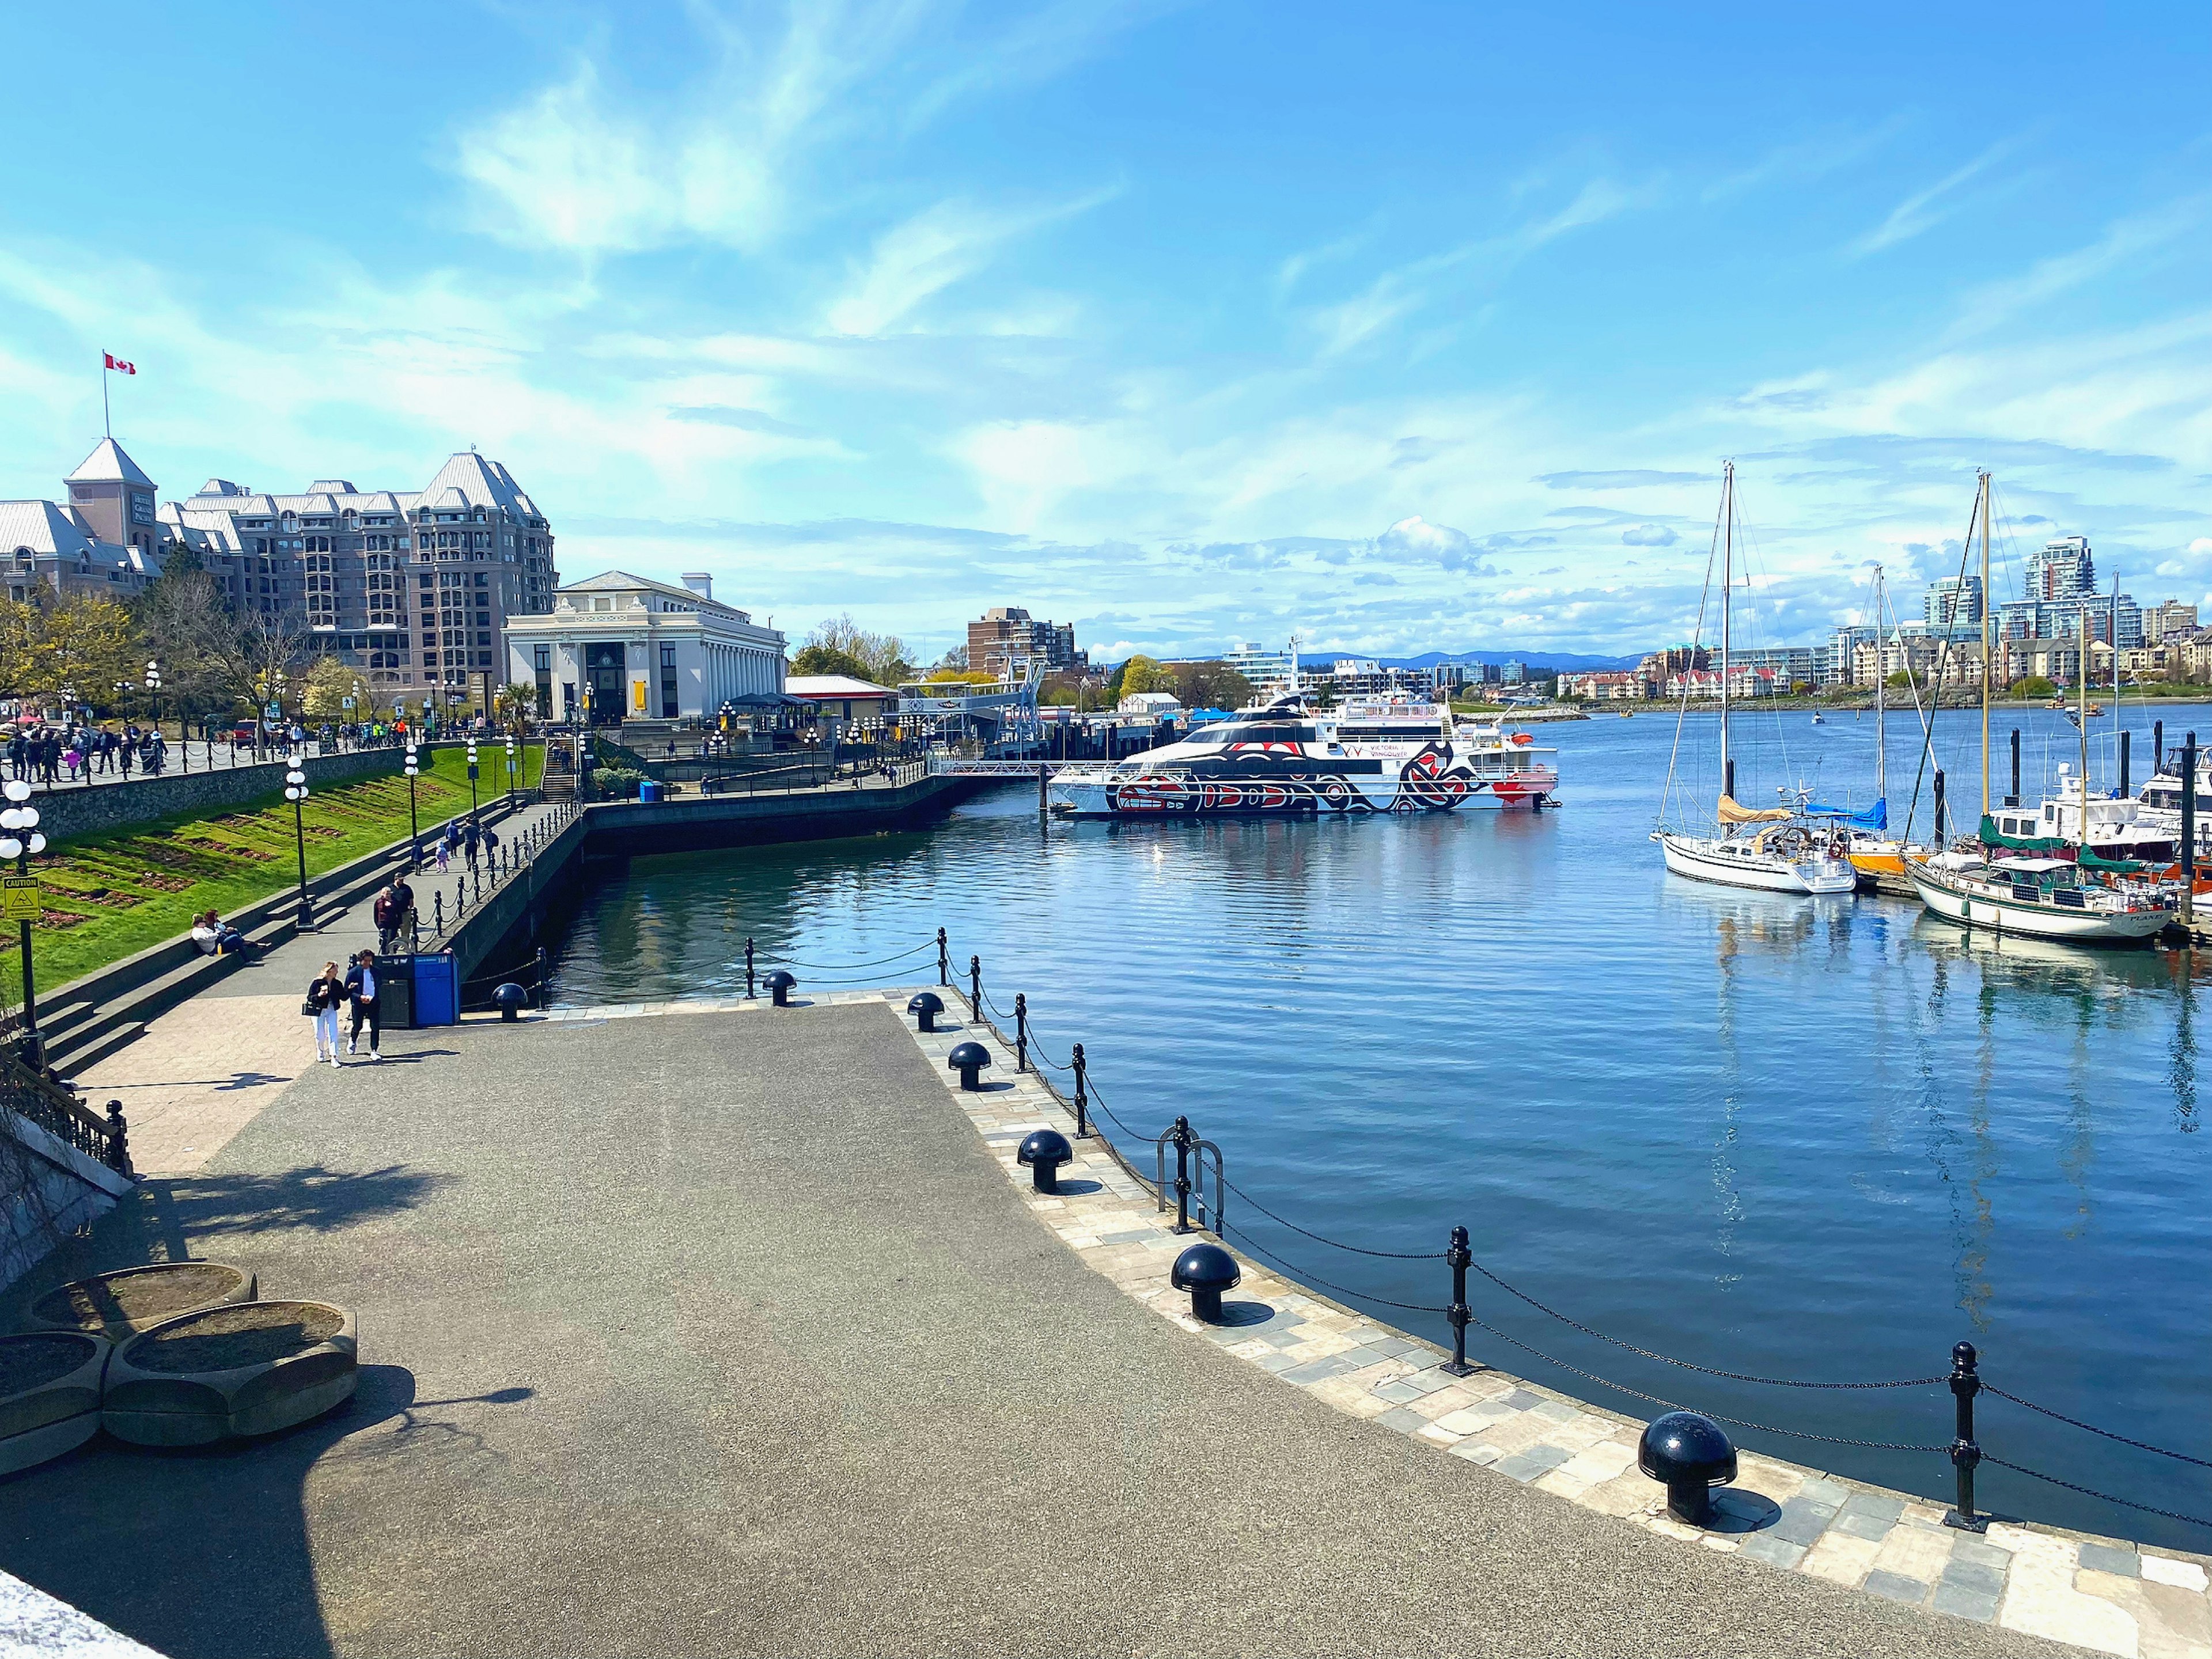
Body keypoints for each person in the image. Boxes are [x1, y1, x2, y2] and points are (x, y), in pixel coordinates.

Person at [343, 949, 382, 1060]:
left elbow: (379, 984)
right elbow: (347, 990)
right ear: (361, 960)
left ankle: (374, 1050)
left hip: (373, 1002)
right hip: (359, 1003)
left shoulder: (376, 971)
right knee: (358, 1025)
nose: (367, 963)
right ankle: (353, 1039)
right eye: (365, 961)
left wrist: (373, 997)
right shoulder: (353, 973)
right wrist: (360, 997)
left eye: (370, 961)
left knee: (375, 1026)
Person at [306, 960, 345, 1066]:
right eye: (335, 970)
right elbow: (310, 997)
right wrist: (319, 995)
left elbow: (344, 997)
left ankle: (334, 1057)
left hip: (331, 1009)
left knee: (333, 1032)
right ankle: (321, 1051)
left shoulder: (337, 984)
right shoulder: (317, 983)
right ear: (329, 971)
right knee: (320, 1034)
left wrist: (350, 989)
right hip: (319, 1010)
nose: (337, 972)